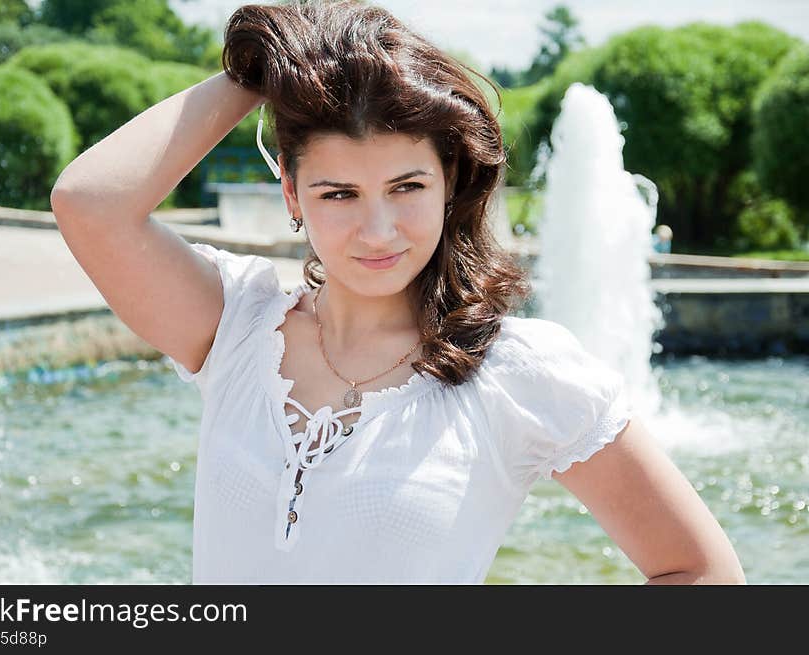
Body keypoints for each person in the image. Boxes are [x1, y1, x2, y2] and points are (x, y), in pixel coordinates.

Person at [49, 0, 745, 584]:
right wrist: (260, 74)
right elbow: (90, 205)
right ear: (291, 191)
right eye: (339, 192)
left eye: (407, 187)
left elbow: (703, 572)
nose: (377, 230)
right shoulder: (234, 325)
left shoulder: (518, 372)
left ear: (449, 184)